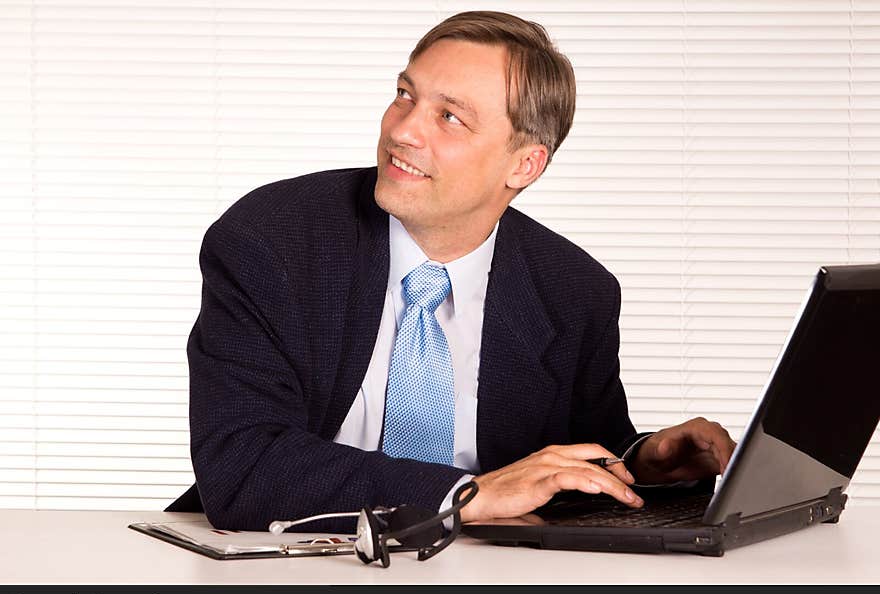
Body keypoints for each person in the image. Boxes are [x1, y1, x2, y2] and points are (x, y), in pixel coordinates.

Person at [167, 10, 735, 532]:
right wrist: (463, 496)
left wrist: (642, 461)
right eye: (404, 96)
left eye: (449, 117)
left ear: (524, 163)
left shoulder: (575, 290)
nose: (403, 131)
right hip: (289, 564)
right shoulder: (271, 239)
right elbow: (244, 464)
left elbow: (572, 457)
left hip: (487, 576)